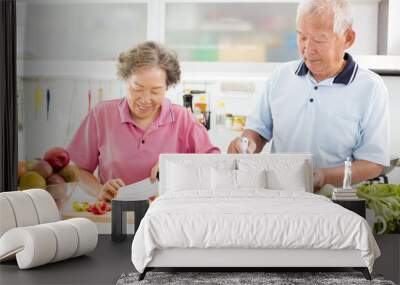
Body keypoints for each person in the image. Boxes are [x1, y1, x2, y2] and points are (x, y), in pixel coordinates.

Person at [228, 0, 390, 191]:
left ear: (348, 38)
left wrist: (323, 177)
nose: (308, 49)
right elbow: (257, 132)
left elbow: (373, 163)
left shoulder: (370, 88)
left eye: (320, 39)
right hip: (279, 199)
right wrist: (245, 144)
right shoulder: (280, 77)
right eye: (302, 37)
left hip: (336, 205)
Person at [68, 41, 220, 202]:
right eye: (137, 88)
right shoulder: (102, 114)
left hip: (166, 216)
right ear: (126, 79)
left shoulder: (183, 119)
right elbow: (78, 169)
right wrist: (99, 191)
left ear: (167, 87)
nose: (145, 99)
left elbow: (215, 165)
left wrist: (177, 166)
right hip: (114, 216)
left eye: (155, 91)